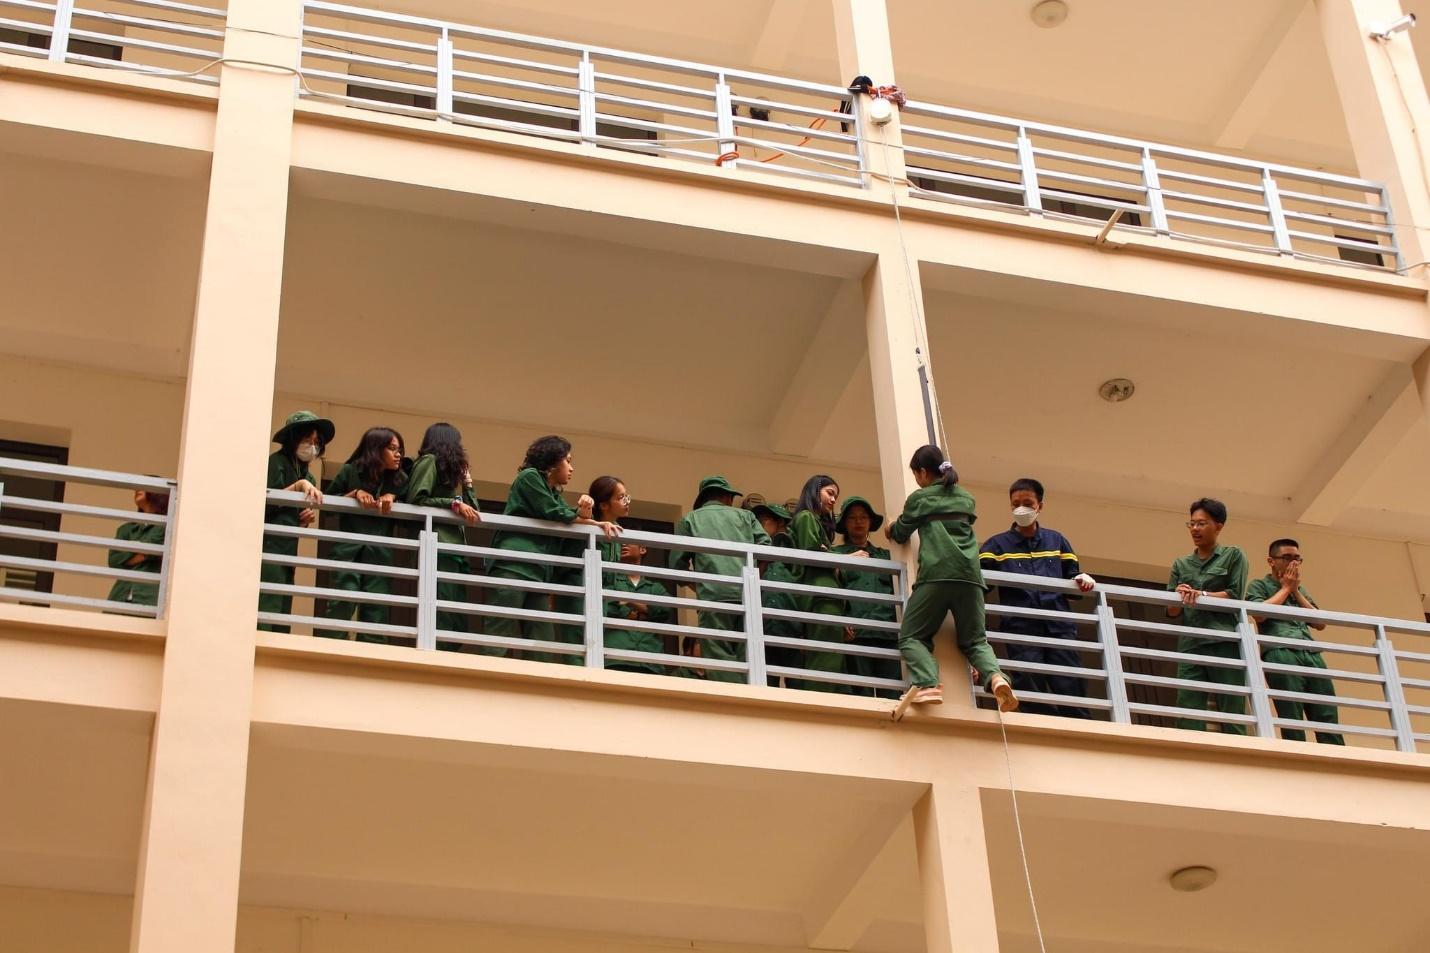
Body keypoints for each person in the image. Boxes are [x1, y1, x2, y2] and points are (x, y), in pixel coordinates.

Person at [886, 445, 1016, 711]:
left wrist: (890, 527)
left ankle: (927, 684)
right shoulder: (965, 498)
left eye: (916, 475)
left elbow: (900, 532)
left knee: (911, 636)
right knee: (976, 640)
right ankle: (995, 677)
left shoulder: (920, 498)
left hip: (937, 575)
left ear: (923, 472)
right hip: (970, 578)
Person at [488, 436, 619, 663]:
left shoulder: (554, 492)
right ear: (553, 462)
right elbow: (556, 513)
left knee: (542, 640)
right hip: (514, 564)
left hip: (538, 572)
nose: (572, 467)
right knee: (500, 633)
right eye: (567, 461)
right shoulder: (529, 477)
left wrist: (594, 522)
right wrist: (590, 520)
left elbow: (563, 515)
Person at [978, 478, 1096, 717]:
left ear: (1039, 506)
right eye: (1016, 503)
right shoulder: (996, 545)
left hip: (1059, 625)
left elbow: (1073, 576)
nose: (1021, 508)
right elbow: (978, 583)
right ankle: (1041, 725)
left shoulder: (1057, 541)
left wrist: (1083, 579)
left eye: (1027, 503)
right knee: (1028, 680)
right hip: (1021, 626)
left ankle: (1078, 727)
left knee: (1069, 679)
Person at [669, 476, 771, 682]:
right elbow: (766, 548)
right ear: (727, 497)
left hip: (712, 597)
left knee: (718, 657)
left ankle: (731, 704)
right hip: (745, 596)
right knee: (748, 656)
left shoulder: (691, 519)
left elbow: (676, 566)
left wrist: (700, 586)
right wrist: (753, 581)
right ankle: (748, 701)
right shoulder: (746, 516)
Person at [1247, 539, 1344, 745]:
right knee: (1291, 713)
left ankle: (1336, 758)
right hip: (1280, 650)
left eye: (1297, 559)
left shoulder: (1301, 589)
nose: (1293, 563)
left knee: (1326, 712)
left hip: (1310, 652)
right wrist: (1284, 589)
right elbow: (1258, 613)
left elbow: (1320, 623)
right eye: (1287, 558)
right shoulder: (1260, 585)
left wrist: (1295, 590)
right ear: (1271, 561)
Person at [315, 427, 407, 643]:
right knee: (343, 599)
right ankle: (332, 649)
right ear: (376, 449)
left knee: (376, 608)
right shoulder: (350, 471)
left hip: (379, 554)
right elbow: (326, 506)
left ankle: (372, 655)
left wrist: (393, 496)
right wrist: (354, 494)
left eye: (400, 449)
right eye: (393, 448)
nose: (398, 454)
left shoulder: (400, 479)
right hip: (348, 549)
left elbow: (411, 506)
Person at [1167, 498, 1250, 733]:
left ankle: (1237, 755)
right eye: (1191, 524)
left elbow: (1235, 596)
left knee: (1231, 707)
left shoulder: (1233, 556)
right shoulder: (1181, 563)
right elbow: (1172, 611)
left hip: (1224, 641)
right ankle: (1187, 757)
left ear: (1219, 526)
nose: (1195, 529)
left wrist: (1201, 594)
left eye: (1201, 524)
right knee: (1187, 706)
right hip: (1191, 643)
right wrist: (1178, 596)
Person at [405, 422, 480, 650]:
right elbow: (417, 499)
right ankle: (439, 653)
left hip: (453, 550)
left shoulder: (448, 473)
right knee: (443, 610)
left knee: (456, 614)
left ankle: (449, 653)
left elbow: (474, 510)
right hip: (438, 547)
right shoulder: (428, 462)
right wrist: (453, 503)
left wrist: (467, 483)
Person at [260, 411, 331, 633]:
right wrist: (297, 487)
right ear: (293, 440)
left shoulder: (308, 476)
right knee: (266, 605)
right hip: (268, 548)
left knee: (282, 610)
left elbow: (291, 515)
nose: (312, 446)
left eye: (316, 442)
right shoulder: (277, 463)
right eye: (307, 440)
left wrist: (303, 519)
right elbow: (264, 504)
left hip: (288, 551)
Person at [791, 475, 859, 693]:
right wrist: (845, 560)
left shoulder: (816, 523)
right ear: (814, 491)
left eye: (835, 496)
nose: (833, 500)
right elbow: (810, 553)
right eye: (829, 493)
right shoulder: (805, 517)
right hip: (822, 597)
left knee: (833, 658)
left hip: (829, 597)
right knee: (824, 657)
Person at [833, 495, 901, 697]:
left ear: (870, 522)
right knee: (859, 695)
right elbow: (827, 590)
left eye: (863, 517)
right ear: (845, 524)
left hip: (888, 633)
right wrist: (840, 621)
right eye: (852, 517)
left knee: (892, 695)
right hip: (856, 635)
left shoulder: (886, 556)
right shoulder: (835, 555)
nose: (859, 521)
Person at [743, 493, 802, 687]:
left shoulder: (792, 552)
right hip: (762, 628)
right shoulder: (752, 555)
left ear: (779, 523)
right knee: (765, 682)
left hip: (791, 628)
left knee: (797, 684)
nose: (759, 525)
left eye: (765, 521)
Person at [603, 542, 674, 674]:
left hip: (650, 660)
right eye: (620, 543)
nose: (624, 544)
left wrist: (630, 602)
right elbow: (607, 608)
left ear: (642, 549)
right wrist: (645, 612)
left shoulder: (655, 587)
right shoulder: (610, 582)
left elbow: (665, 610)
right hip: (616, 657)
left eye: (629, 541)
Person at [106, 487, 169, 610]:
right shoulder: (126, 529)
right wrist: (145, 554)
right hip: (119, 597)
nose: (137, 489)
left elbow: (153, 547)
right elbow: (113, 560)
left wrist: (129, 554)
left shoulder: (165, 525)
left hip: (149, 599)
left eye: (144, 486)